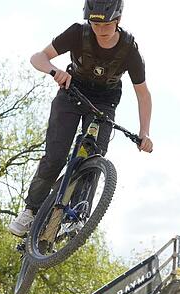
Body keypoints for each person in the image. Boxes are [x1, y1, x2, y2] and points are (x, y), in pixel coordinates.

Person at [9, 0, 153, 236]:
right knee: (55, 157)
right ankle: (30, 211)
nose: (100, 31)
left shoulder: (129, 50)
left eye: (106, 25)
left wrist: (144, 132)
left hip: (103, 103)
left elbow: (143, 94)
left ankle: (77, 214)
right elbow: (38, 57)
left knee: (93, 156)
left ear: (118, 20)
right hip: (71, 96)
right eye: (95, 24)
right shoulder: (77, 32)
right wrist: (55, 71)